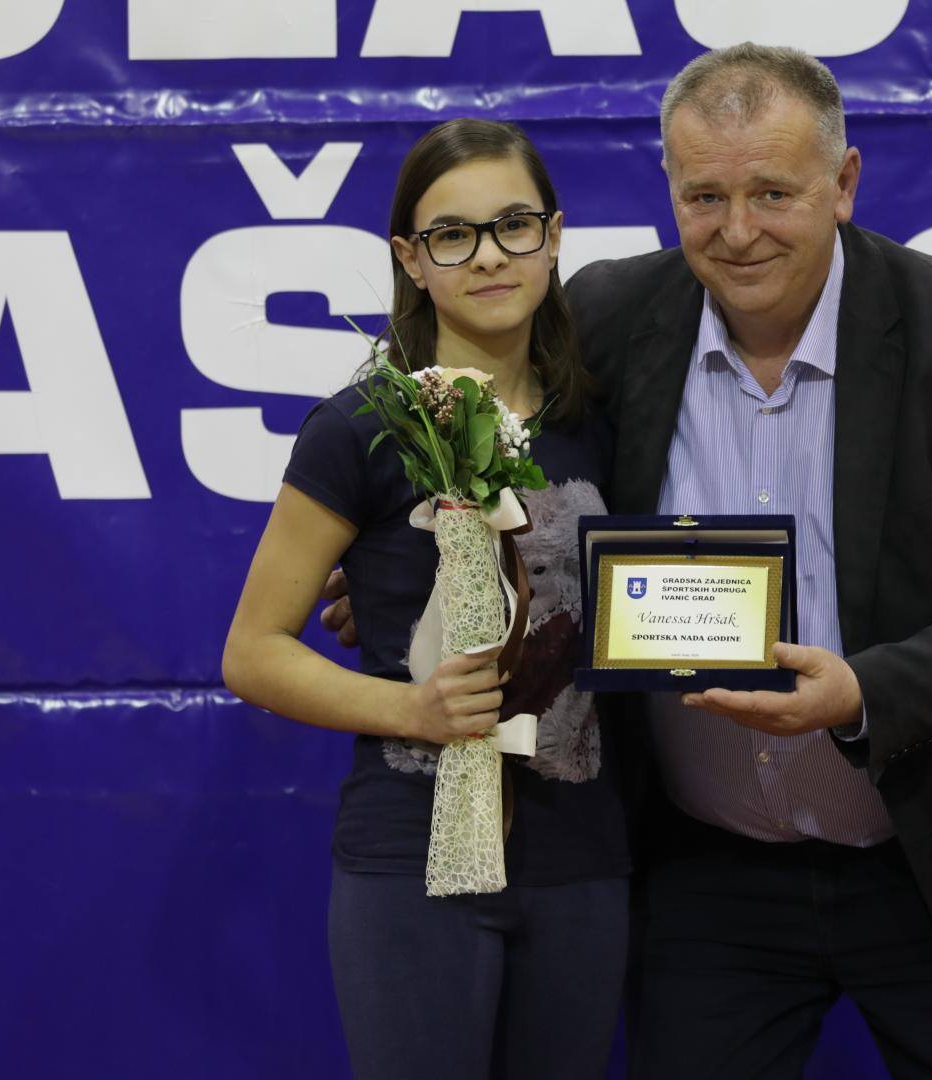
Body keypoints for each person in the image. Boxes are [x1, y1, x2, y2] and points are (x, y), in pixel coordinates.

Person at [571, 44, 932, 1078]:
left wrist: (863, 692)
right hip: (706, 876)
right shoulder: (606, 318)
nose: (738, 231)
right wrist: (398, 571)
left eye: (773, 193)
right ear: (669, 190)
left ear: (844, 182)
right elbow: (470, 443)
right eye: (705, 197)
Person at [222, 118, 628, 1079]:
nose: (488, 256)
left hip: (580, 860)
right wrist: (413, 709)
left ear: (554, 236)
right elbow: (253, 651)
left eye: (513, 225)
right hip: (413, 859)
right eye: (453, 235)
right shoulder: (358, 428)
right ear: (411, 258)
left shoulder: (603, 422)